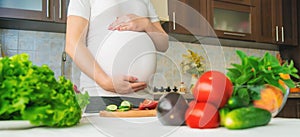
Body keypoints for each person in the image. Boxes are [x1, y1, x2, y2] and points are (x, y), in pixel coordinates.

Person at [65, 0, 168, 109]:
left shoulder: (145, 1)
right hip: (100, 95)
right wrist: (105, 82)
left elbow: (163, 45)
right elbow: (73, 44)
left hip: (142, 97)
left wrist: (146, 24)